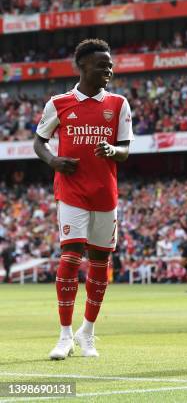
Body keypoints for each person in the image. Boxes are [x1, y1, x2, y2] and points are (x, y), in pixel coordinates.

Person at [33, 39, 133, 359]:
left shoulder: (118, 104)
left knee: (101, 265)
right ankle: (64, 336)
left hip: (105, 194)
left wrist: (112, 151)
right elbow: (39, 142)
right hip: (71, 191)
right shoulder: (59, 103)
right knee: (70, 257)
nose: (109, 69)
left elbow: (126, 149)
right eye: (103, 65)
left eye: (110, 64)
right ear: (83, 66)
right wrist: (53, 161)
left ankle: (87, 331)